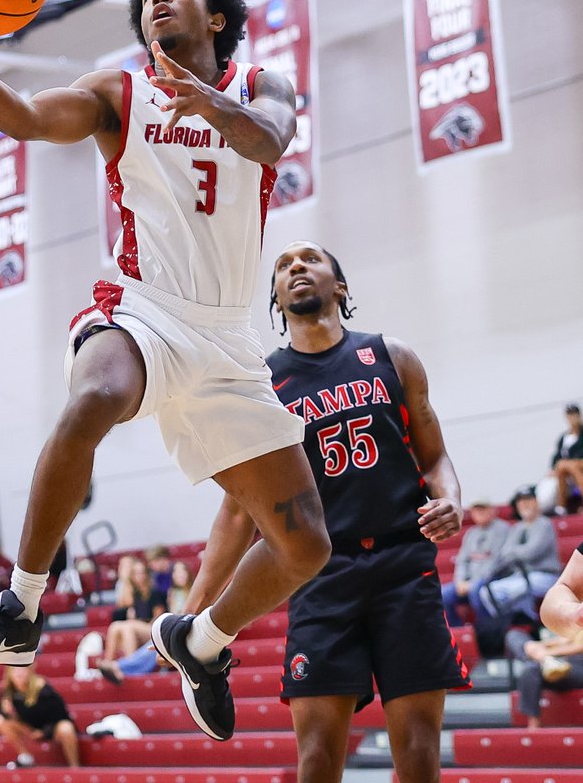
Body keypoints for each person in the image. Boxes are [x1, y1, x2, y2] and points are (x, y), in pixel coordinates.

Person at [0, 0, 330, 742]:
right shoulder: (119, 92)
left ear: (216, 18)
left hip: (226, 339)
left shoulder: (260, 87)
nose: (158, 2)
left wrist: (210, 106)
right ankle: (20, 604)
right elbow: (26, 120)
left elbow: (269, 140)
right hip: (140, 307)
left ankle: (199, 640)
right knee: (96, 396)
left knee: (306, 545)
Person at [183, 240, 470, 783]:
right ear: (275, 296)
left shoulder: (393, 356)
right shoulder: (262, 387)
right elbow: (240, 511)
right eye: (283, 266)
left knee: (418, 751)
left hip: (402, 568)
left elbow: (435, 457)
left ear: (339, 286)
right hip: (320, 575)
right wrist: (193, 613)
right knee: (315, 757)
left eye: (310, 260)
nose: (296, 268)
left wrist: (450, 499)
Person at [473, 486, 561, 629]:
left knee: (514, 591)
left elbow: (531, 553)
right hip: (519, 576)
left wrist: (513, 553)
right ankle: (509, 625)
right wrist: (515, 553)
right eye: (521, 502)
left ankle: (529, 622)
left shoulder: (545, 524)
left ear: (536, 502)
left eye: (528, 500)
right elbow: (504, 554)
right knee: (487, 592)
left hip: (544, 575)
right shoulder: (516, 528)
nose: (525, 504)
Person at [0, 665, 80, 768]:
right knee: (0, 720)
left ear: (30, 671)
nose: (19, 673)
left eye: (22, 669)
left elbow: (60, 713)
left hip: (51, 728)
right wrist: (7, 712)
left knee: (66, 728)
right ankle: (26, 756)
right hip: (30, 729)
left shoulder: (42, 688)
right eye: (14, 670)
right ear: (9, 674)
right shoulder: (8, 691)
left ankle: (74, 766)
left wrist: (44, 732)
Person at [442, 500, 509, 626]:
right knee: (444, 594)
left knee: (476, 590)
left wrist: (472, 583)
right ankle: (460, 631)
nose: (480, 513)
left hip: (493, 578)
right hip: (469, 581)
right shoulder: (471, 533)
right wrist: (460, 581)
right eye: (476, 510)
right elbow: (462, 560)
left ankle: (484, 629)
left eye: (483, 509)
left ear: (492, 511)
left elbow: (497, 561)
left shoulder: (502, 529)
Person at [104, 557, 167, 660]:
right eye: (136, 573)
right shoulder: (135, 594)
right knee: (115, 626)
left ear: (146, 574)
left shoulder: (155, 592)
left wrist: (138, 625)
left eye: (142, 573)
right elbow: (123, 603)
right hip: (137, 628)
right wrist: (125, 580)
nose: (140, 576)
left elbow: (158, 618)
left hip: (153, 629)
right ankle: (108, 662)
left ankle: (130, 663)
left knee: (128, 626)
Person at [536, 403, 583, 515]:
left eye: (574, 415)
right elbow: (557, 455)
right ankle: (561, 506)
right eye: (570, 416)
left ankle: (562, 506)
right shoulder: (564, 437)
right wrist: (553, 468)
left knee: (568, 466)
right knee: (562, 469)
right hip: (567, 469)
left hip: (579, 463)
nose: (572, 419)